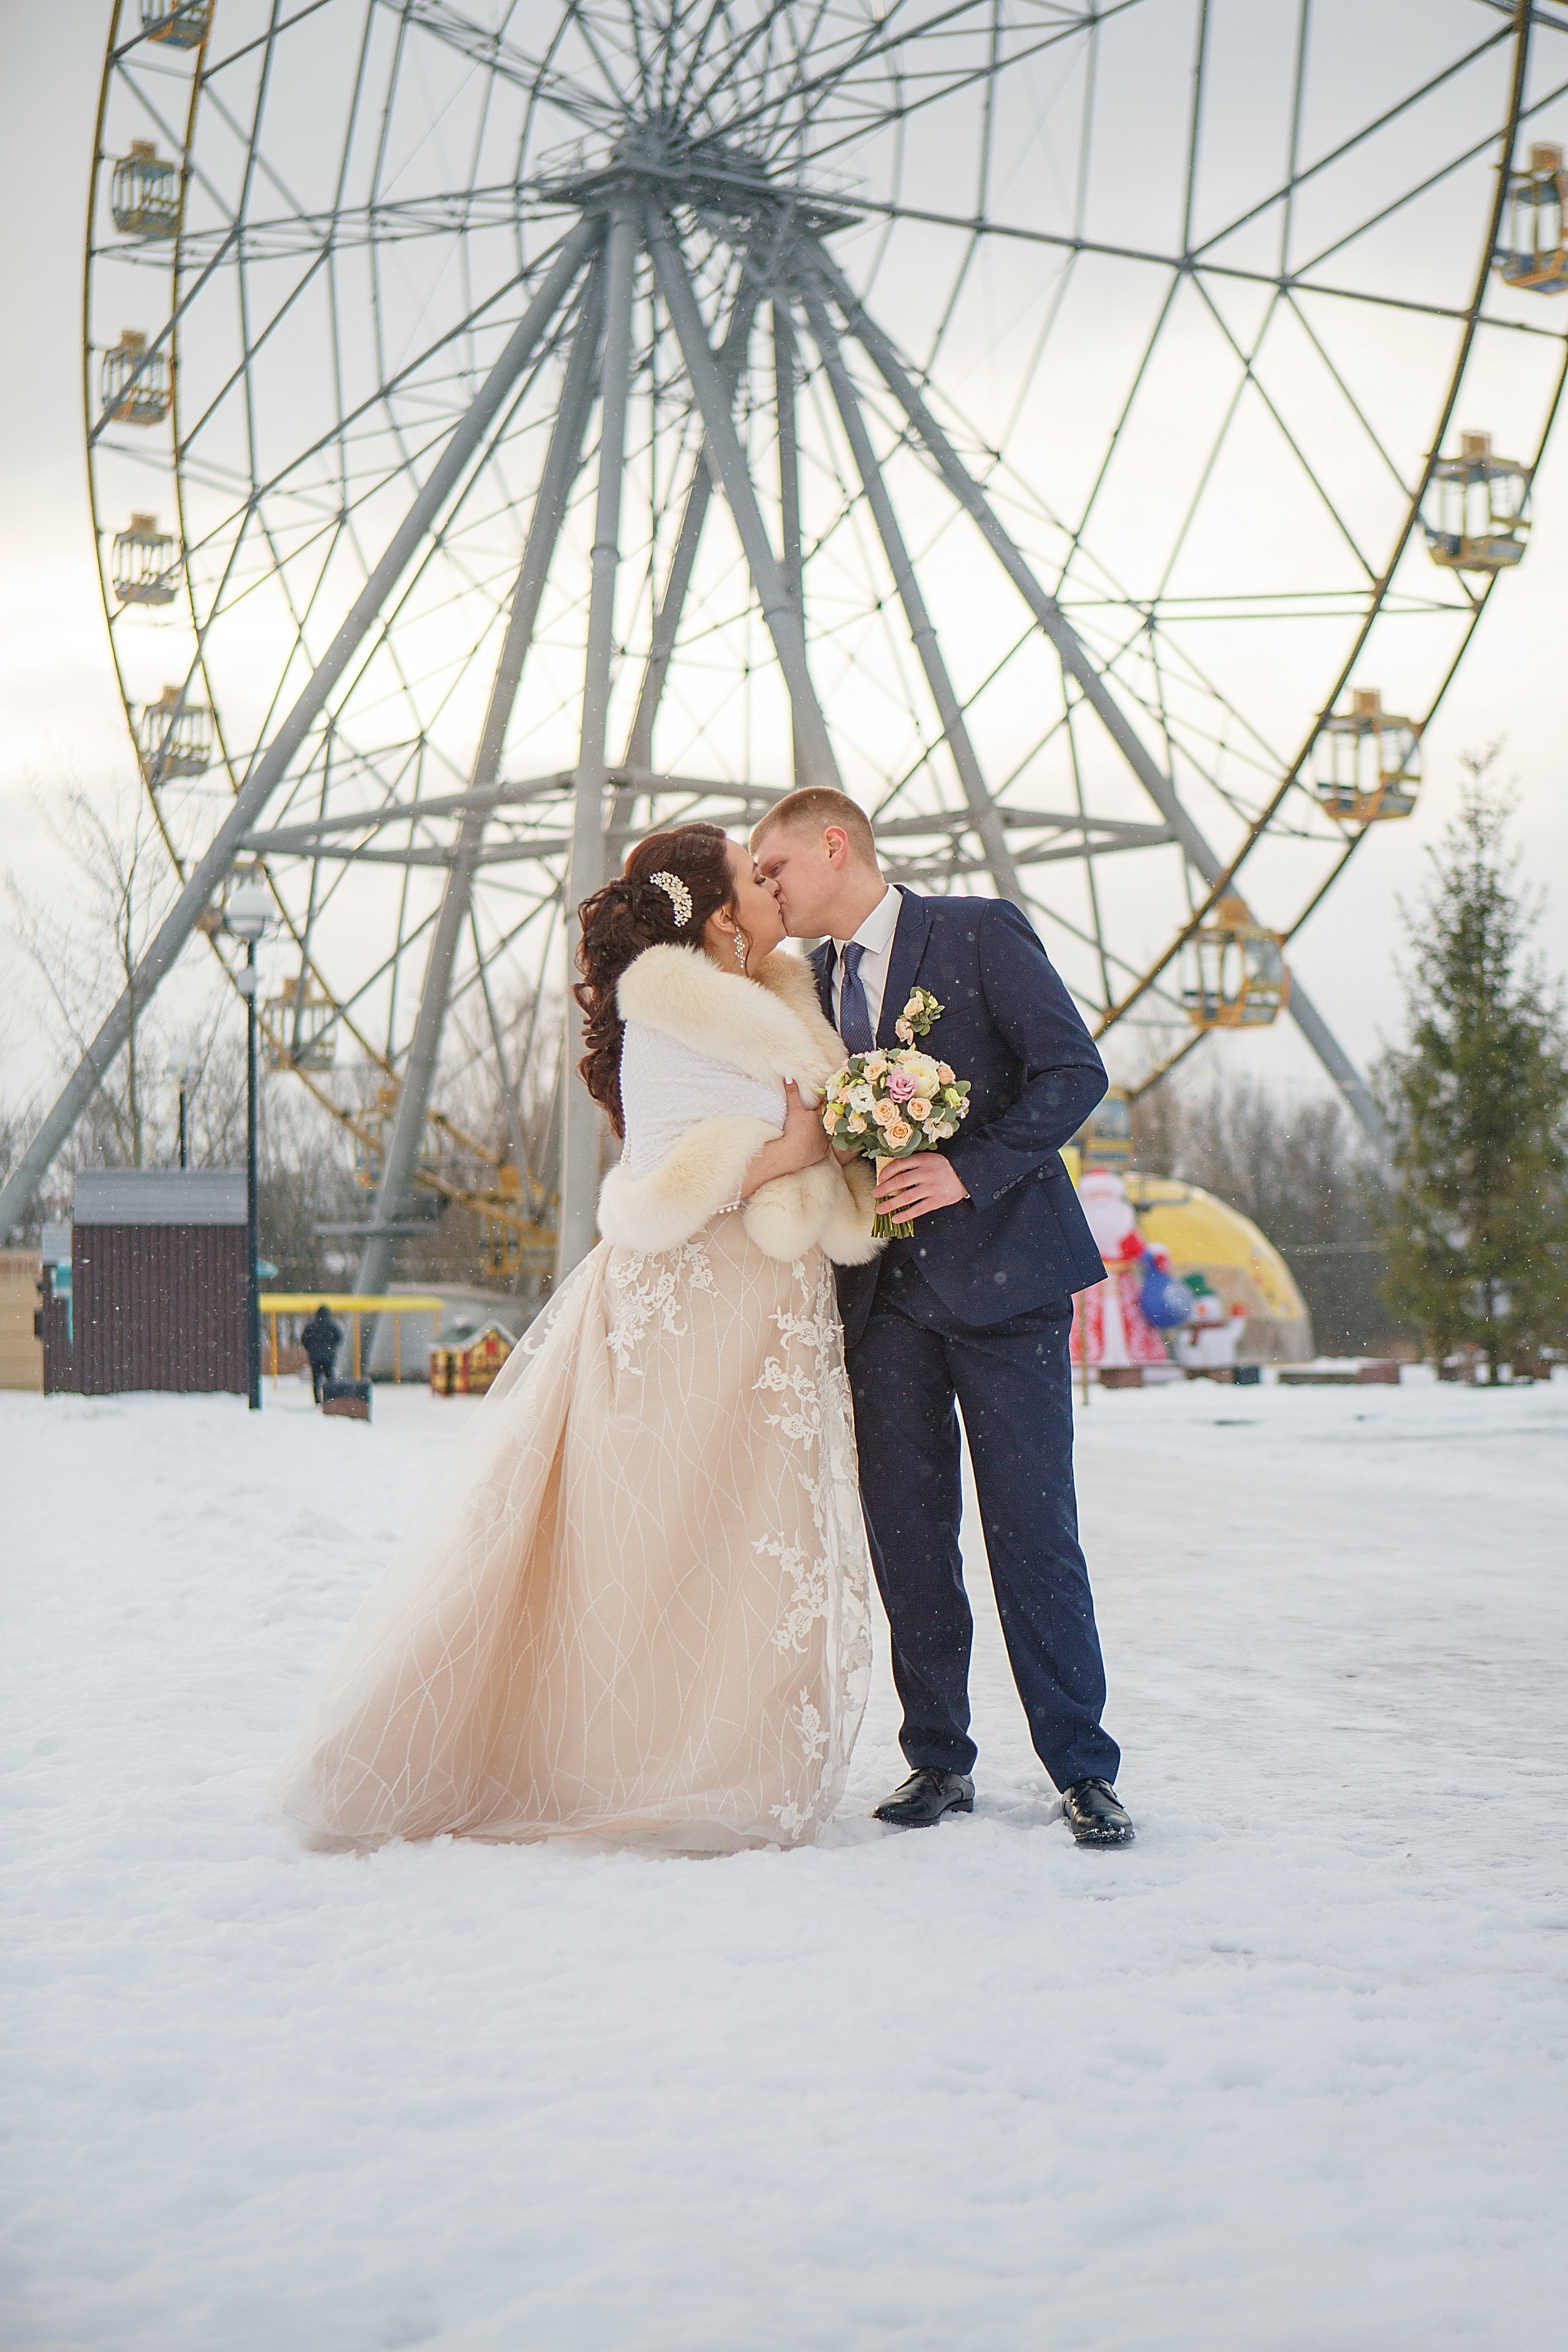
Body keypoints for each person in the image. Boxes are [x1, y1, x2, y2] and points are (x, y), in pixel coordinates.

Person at [276, 823, 880, 1852]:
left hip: (759, 1311)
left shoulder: (776, 996)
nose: (775, 885)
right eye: (754, 875)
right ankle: (648, 1761)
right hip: (693, 1309)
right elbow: (673, 1175)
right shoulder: (676, 1012)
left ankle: (726, 1751)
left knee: (748, 1540)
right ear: (721, 913)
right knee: (663, 1538)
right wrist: (793, 1148)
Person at [752, 786, 1136, 1848]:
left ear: (837, 846)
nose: (767, 888)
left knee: (1033, 1534)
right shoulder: (806, 989)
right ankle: (938, 1759)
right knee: (909, 1540)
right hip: (881, 1302)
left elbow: (1074, 1072)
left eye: (775, 866)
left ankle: (1082, 1768)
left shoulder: (975, 931)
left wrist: (968, 1171)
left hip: (1009, 1288)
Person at [300, 1303, 342, 1404]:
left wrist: (311, 1350)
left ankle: (318, 1401)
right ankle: (331, 1399)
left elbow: (304, 1340)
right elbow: (339, 1338)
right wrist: (331, 1348)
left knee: (316, 1380)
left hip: (315, 1358)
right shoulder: (332, 1326)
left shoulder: (311, 1326)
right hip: (328, 1358)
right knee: (330, 1380)